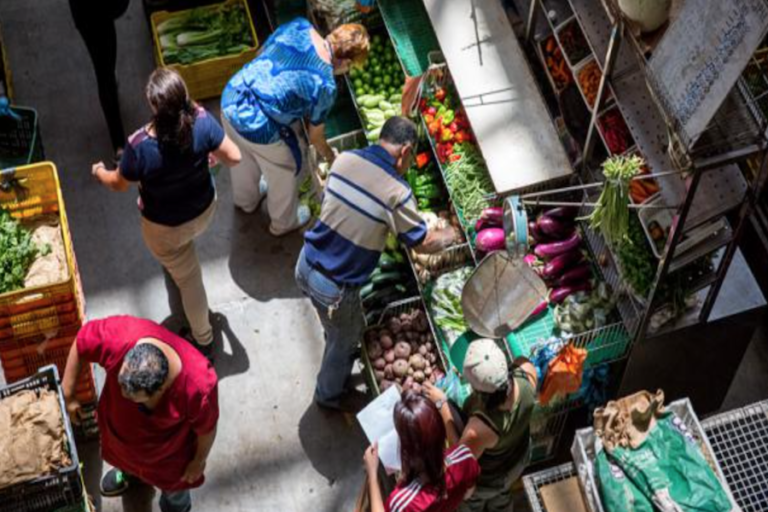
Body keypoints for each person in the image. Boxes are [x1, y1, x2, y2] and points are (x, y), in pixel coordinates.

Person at [296, 116, 457, 411]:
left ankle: (331, 330)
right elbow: (421, 242)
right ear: (406, 151)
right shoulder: (397, 193)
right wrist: (452, 233)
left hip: (304, 263)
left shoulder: (344, 160)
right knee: (346, 340)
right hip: (333, 287)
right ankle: (327, 396)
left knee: (333, 323)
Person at [91, 68, 241, 358]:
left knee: (190, 281)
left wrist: (99, 171)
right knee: (183, 256)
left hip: (166, 229)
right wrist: (210, 152)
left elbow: (118, 184)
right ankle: (178, 267)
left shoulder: (139, 147)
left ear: (154, 106)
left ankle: (204, 339)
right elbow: (234, 157)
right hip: (204, 211)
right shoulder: (201, 123)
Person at [221, 18, 369, 236]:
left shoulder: (300, 25)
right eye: (351, 67)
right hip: (258, 124)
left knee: (242, 155)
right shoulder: (326, 85)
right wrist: (331, 157)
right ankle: (283, 223)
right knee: (285, 166)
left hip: (233, 95)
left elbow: (261, 52)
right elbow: (315, 137)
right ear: (346, 62)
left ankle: (247, 201)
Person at [61, 315, 219, 512]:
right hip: (120, 441)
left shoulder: (197, 387)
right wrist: (68, 392)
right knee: (122, 459)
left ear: (160, 390)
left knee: (175, 492)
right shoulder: (121, 337)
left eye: (132, 396)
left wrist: (198, 461)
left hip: (167, 457)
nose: (121, 393)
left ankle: (176, 507)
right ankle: (128, 473)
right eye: (120, 384)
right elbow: (83, 341)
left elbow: (206, 429)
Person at [424, 339, 537, 512]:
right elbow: (521, 359)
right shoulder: (527, 377)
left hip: (491, 479)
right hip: (517, 458)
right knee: (502, 496)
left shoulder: (481, 427)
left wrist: (442, 405)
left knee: (472, 503)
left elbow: (459, 459)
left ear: (477, 390)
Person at [363, 391, 480, 512]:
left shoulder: (401, 504)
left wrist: (372, 474)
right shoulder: (466, 458)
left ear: (406, 451)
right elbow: (468, 493)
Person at [68, 0, 130, 156]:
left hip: (88, 14)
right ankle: (119, 144)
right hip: (96, 13)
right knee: (105, 74)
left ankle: (119, 145)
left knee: (105, 68)